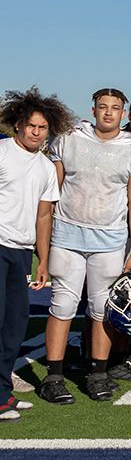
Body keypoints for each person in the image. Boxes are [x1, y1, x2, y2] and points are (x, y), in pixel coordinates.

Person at [39, 89, 131, 405]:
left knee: (101, 308)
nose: (109, 113)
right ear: (94, 109)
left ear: (123, 113)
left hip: (111, 239)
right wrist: (43, 243)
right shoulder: (68, 137)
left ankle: (97, 373)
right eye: (103, 107)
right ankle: (54, 377)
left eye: (115, 108)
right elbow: (52, 190)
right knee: (62, 305)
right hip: (67, 235)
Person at [0, 89, 72, 422]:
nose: (36, 132)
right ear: (17, 124)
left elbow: (45, 216)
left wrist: (42, 260)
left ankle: (3, 394)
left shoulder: (45, 167)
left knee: (14, 326)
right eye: (30, 125)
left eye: (42, 127)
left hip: (21, 253)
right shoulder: (1, 153)